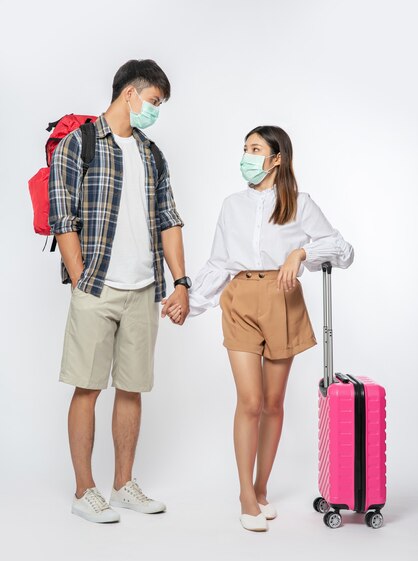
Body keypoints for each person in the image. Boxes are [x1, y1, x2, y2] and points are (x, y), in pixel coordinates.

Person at [165, 125, 354, 531]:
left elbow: (343, 250)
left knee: (273, 403)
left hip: (282, 300)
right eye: (244, 148)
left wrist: (300, 252)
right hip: (240, 301)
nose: (247, 156)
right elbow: (219, 263)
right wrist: (190, 302)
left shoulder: (300, 204)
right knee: (249, 401)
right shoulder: (231, 204)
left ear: (276, 158)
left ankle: (262, 487)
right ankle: (245, 495)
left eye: (255, 149)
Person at [49, 59, 192, 524]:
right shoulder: (80, 143)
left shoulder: (153, 154)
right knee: (87, 388)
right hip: (98, 287)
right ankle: (84, 490)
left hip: (144, 288)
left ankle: (124, 484)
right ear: (130, 93)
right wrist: (81, 278)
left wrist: (181, 282)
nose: (155, 111)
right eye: (153, 101)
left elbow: (169, 219)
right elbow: (63, 216)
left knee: (132, 389)